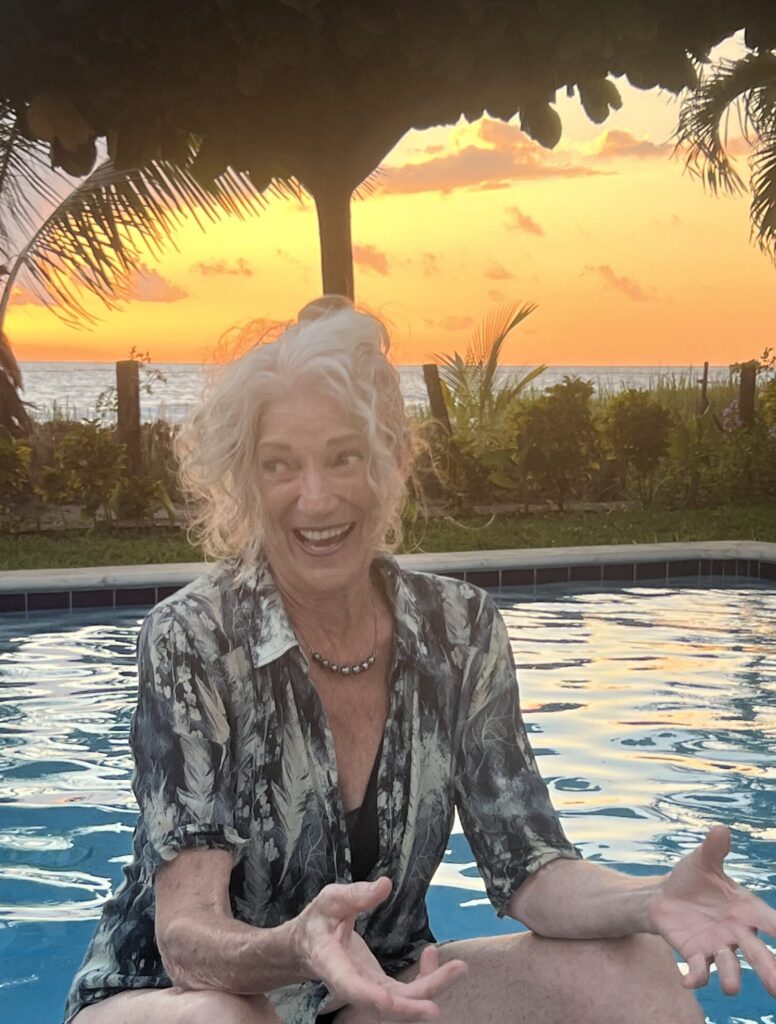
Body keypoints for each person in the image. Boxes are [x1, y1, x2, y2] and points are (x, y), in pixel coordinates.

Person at [65, 297, 776, 1024]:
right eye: (280, 464)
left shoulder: (460, 630)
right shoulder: (194, 636)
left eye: (344, 456)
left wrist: (648, 899)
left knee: (635, 972)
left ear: (392, 460)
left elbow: (533, 870)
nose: (315, 498)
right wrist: (297, 944)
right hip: (174, 998)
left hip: (376, 991)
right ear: (247, 479)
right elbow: (186, 937)